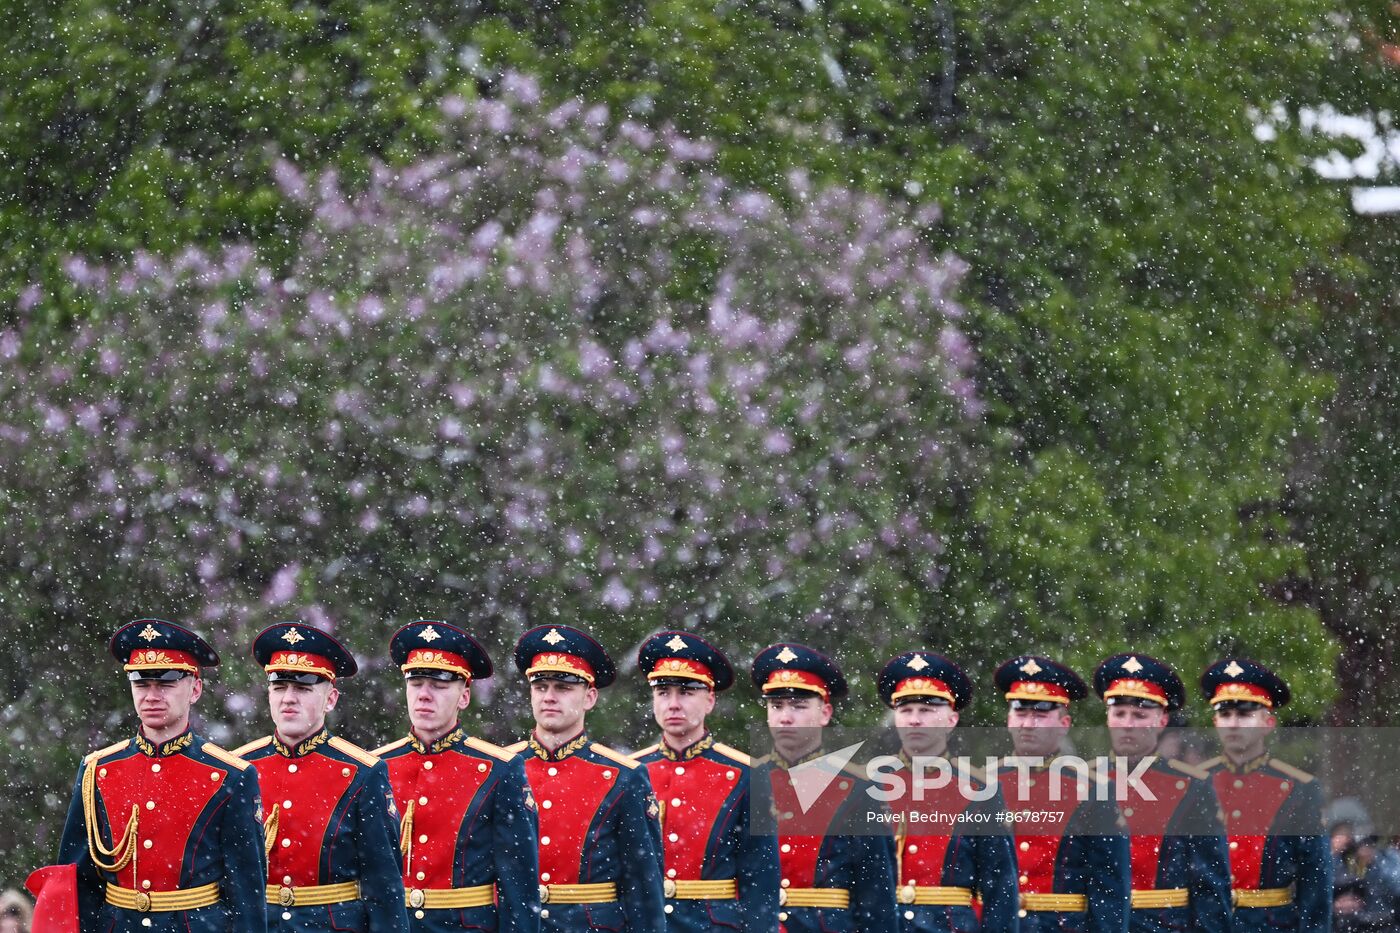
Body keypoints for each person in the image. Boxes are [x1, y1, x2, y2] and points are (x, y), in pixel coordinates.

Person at [54, 618, 267, 931]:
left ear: (195, 689)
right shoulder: (97, 769)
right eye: (141, 683)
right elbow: (77, 882)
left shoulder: (231, 776)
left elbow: (246, 891)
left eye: (165, 683)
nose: (151, 695)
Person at [233, 622, 408, 932]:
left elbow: (383, 887)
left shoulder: (362, 773)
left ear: (331, 699)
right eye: (279, 686)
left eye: (302, 688)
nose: (288, 698)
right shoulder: (239, 768)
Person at [373, 620, 540, 932]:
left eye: (438, 685)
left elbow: (518, 888)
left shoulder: (499, 770)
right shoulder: (375, 767)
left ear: (464, 696)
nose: (424, 695)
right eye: (416, 682)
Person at [506, 625, 665, 932]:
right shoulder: (502, 768)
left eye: (563, 688)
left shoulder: (624, 776)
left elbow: (643, 887)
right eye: (540, 687)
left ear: (590, 697)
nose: (549, 697)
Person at [630, 630, 780, 931]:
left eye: (685, 692)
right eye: (663, 692)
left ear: (710, 699)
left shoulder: (746, 774)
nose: (673, 703)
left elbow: (759, 878)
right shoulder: (631, 772)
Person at [750, 642, 899, 933]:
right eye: (776, 705)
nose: (785, 717)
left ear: (825, 713)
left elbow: (876, 898)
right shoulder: (747, 781)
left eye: (798, 706)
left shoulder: (860, 790)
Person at [876, 650, 1019, 933]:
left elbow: (999, 889)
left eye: (926, 710)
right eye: (905, 710)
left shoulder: (979, 791)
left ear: (952, 720)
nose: (915, 720)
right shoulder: (869, 789)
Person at [1092, 652, 1232, 933]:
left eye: (1140, 715)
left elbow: (1209, 884)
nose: (1128, 724)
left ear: (1162, 720)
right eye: (1119, 713)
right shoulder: (1082, 781)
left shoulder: (1193, 786)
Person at [993, 655, 1130, 933]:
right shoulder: (980, 786)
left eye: (1040, 714)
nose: (1028, 723)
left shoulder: (1093, 790)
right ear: (1008, 719)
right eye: (1020, 712)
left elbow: (1109, 888)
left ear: (1064, 724)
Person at [1200, 658, 1331, 933]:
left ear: (1268, 723)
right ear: (1214, 721)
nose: (1233, 724)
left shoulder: (1299, 787)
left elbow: (1315, 880)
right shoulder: (1194, 783)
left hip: (1271, 924)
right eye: (1225, 715)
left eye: (1244, 714)